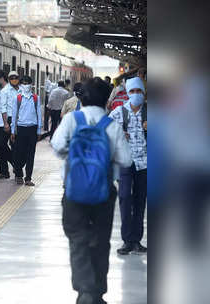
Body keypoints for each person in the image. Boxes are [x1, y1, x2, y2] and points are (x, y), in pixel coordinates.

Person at [51, 77, 132, 304]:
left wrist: (73, 154)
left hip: (73, 191)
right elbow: (125, 159)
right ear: (107, 99)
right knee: (100, 241)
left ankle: (84, 291)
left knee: (78, 240)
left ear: (83, 98)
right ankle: (97, 293)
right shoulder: (111, 125)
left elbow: (57, 146)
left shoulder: (71, 120)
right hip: (103, 193)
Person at [109, 76, 148, 255]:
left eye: (139, 91)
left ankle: (136, 240)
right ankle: (126, 240)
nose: (136, 94)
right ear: (127, 93)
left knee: (141, 201)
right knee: (125, 198)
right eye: (132, 91)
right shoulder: (118, 112)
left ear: (144, 92)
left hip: (145, 163)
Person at [10, 75, 42, 186]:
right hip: (21, 128)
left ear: (31, 84)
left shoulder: (36, 98)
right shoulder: (17, 98)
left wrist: (39, 131)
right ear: (20, 85)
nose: (26, 85)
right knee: (19, 153)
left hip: (32, 129)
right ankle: (19, 174)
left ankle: (28, 178)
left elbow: (39, 114)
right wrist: (13, 131)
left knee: (30, 154)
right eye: (23, 83)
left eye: (28, 83)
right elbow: (14, 115)